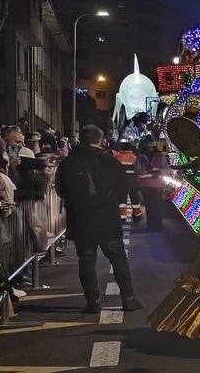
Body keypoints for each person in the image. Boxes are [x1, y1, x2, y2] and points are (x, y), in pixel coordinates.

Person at [55, 126, 141, 314]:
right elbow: (123, 186)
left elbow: (60, 189)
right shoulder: (109, 161)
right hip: (106, 218)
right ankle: (128, 298)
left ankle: (92, 302)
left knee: (86, 261)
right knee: (118, 258)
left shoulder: (69, 163)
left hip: (80, 219)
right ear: (101, 140)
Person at [134, 135, 172, 233]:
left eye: (151, 147)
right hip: (146, 185)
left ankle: (157, 225)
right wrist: (150, 171)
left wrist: (158, 172)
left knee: (157, 205)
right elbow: (137, 170)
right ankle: (152, 225)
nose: (149, 149)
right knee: (149, 206)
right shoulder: (140, 157)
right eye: (148, 147)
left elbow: (165, 169)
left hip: (157, 185)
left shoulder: (160, 156)